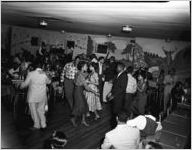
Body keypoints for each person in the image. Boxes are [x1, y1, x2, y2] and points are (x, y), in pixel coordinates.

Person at [20, 62, 51, 130]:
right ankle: (43, 124)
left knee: (33, 111)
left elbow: (25, 84)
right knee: (41, 110)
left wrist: (20, 86)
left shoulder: (31, 73)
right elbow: (49, 82)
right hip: (42, 95)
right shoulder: (44, 73)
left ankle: (36, 125)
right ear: (42, 66)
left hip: (33, 96)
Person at [71, 61, 99, 127]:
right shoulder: (80, 75)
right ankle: (73, 119)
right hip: (78, 92)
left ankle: (83, 121)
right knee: (79, 107)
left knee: (85, 106)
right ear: (83, 67)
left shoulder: (80, 72)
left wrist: (91, 73)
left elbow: (87, 74)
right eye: (86, 66)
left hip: (79, 90)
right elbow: (87, 88)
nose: (87, 67)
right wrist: (95, 92)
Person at [107, 62, 128, 128]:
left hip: (119, 98)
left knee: (117, 112)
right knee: (113, 112)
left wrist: (113, 95)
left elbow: (122, 88)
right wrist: (110, 92)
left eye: (118, 67)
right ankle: (114, 125)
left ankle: (116, 126)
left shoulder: (124, 75)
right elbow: (115, 86)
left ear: (121, 68)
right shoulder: (118, 74)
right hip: (115, 97)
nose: (116, 68)